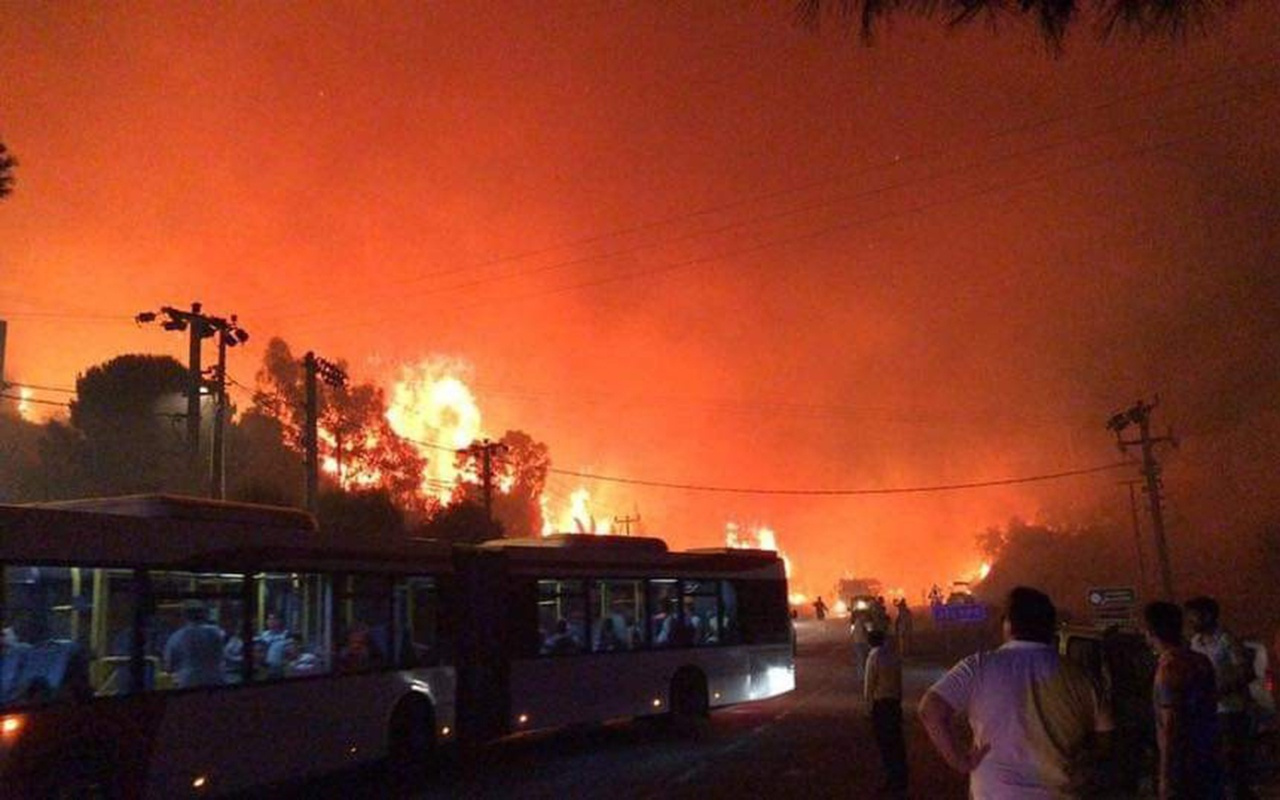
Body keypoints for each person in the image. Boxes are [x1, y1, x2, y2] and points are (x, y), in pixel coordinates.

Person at [919, 586, 1113, 799]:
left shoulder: (979, 666)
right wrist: (1087, 770)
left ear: (1008, 624)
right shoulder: (1082, 677)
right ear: (1050, 627)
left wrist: (960, 761)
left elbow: (930, 710)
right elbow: (1107, 737)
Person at [1143, 601, 1218, 799]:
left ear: (1151, 632)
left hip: (1183, 762)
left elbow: (1170, 726)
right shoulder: (1201, 661)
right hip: (1208, 753)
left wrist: (1164, 776)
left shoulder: (1168, 669)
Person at [1186, 595, 1256, 799]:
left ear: (1207, 616)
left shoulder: (1226, 640)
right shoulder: (1195, 642)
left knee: (1232, 763)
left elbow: (1246, 672)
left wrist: (1220, 691)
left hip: (1230, 710)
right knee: (1215, 763)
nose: (1190, 621)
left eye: (1193, 616)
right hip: (1206, 710)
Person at [865, 628, 908, 794]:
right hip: (894, 703)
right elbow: (899, 681)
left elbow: (869, 684)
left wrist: (868, 708)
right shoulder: (893, 655)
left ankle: (891, 782)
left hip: (881, 705)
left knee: (886, 745)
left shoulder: (873, 656)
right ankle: (901, 781)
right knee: (897, 744)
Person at [163, 601, 225, 688]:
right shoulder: (217, 632)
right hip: (216, 680)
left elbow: (168, 666)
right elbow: (223, 655)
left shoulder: (176, 636)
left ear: (184, 616)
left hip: (188, 682)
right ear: (204, 614)